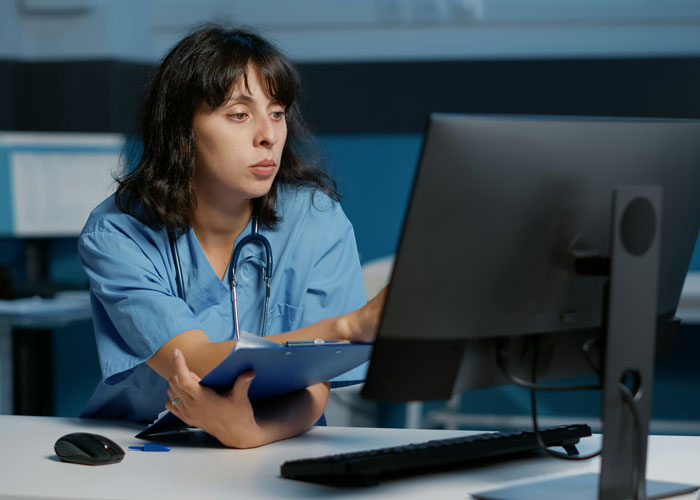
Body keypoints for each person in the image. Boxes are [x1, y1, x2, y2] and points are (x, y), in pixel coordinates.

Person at [78, 23, 386, 448]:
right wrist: (350, 326)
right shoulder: (117, 233)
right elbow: (192, 363)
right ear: (182, 132)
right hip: (140, 450)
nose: (269, 135)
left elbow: (316, 383)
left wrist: (250, 433)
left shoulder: (315, 218)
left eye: (276, 112)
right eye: (239, 115)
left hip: (275, 447)